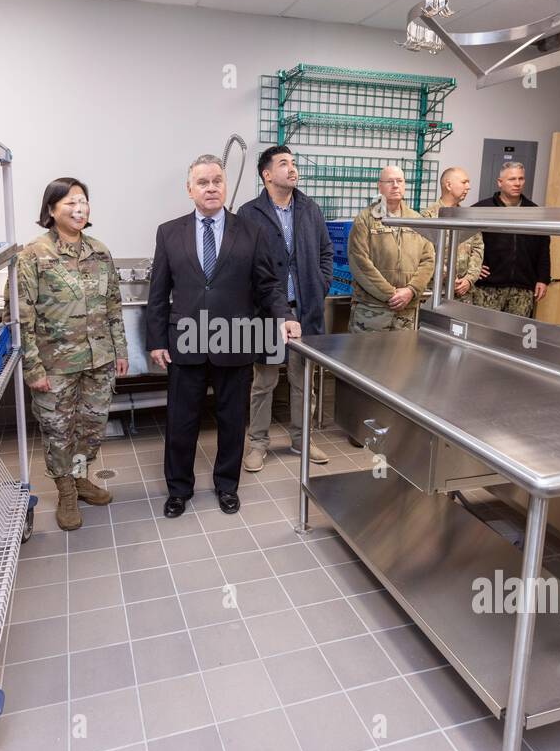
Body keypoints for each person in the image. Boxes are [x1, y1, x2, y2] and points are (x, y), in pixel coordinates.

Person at [146, 155, 301, 519]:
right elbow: (158, 292)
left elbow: (268, 284)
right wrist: (156, 340)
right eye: (203, 182)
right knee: (181, 421)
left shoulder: (250, 231)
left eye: (217, 180)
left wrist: (285, 316)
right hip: (185, 338)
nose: (211, 187)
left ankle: (226, 486)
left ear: (225, 186)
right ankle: (178, 489)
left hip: (235, 338)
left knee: (232, 420)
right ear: (190, 190)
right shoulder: (168, 232)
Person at [12, 177, 128, 532]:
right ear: (51, 210)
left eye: (83, 202)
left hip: (99, 361)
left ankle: (80, 478)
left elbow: (113, 307)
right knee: (58, 430)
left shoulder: (100, 251)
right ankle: (65, 491)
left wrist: (120, 350)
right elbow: (19, 316)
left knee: (91, 428)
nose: (79, 209)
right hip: (55, 366)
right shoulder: (33, 255)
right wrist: (32, 368)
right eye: (69, 203)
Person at [238, 146, 333, 472]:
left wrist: (320, 285)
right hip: (266, 314)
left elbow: (326, 252)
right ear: (267, 174)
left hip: (306, 310)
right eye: (284, 164)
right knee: (263, 382)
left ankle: (301, 439)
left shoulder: (309, 208)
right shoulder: (249, 213)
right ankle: (258, 443)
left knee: (303, 380)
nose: (292, 169)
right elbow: (242, 265)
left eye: (293, 163)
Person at [346, 165, 436, 332]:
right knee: (364, 357)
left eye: (399, 181)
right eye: (390, 181)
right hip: (372, 310)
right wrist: (390, 294)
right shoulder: (366, 219)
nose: (395, 185)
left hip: (406, 312)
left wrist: (411, 290)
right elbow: (359, 261)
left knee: (401, 357)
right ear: (380, 186)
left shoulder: (417, 220)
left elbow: (428, 259)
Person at [471, 161, 551, 317]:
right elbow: (465, 245)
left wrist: (543, 279)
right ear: (500, 182)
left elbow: (543, 248)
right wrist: (474, 268)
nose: (517, 183)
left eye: (521, 179)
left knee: (515, 337)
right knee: (484, 333)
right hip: (488, 287)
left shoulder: (535, 212)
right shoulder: (481, 209)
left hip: (523, 289)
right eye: (512, 179)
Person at [421, 166, 488, 299]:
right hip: (436, 291)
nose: (468, 187)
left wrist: (469, 279)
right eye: (464, 182)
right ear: (448, 185)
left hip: (464, 292)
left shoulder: (469, 218)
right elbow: (426, 252)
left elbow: (478, 248)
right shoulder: (428, 216)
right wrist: (449, 277)